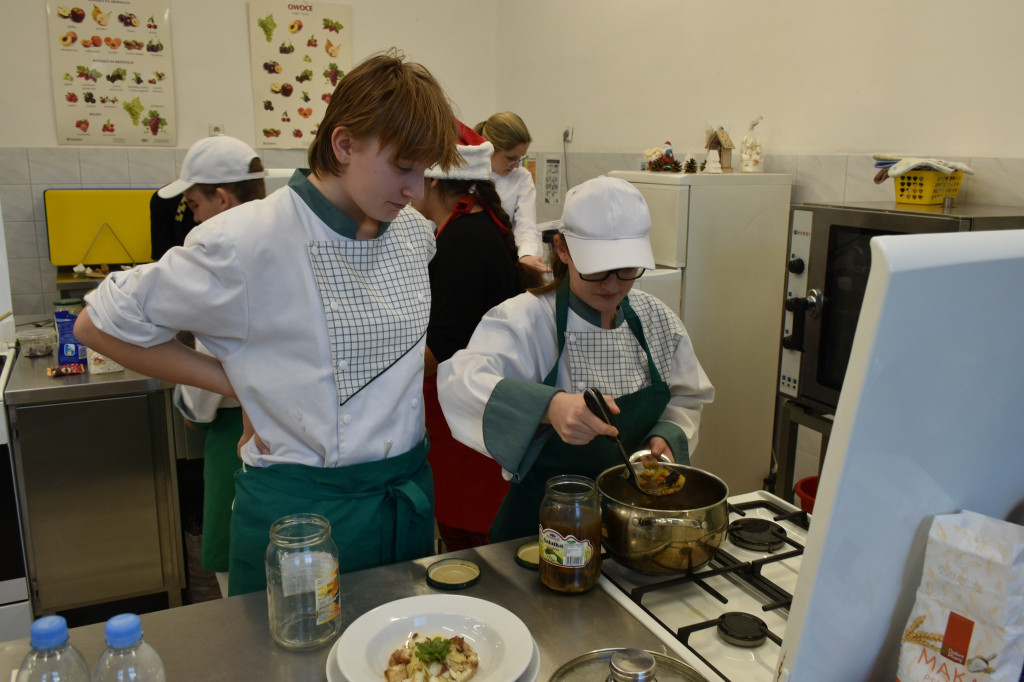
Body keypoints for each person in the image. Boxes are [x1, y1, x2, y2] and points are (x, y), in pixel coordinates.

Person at [73, 49, 460, 595]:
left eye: (424, 172)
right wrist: (237, 384)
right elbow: (98, 325)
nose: (416, 191)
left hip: (403, 501)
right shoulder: (246, 241)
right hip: (304, 520)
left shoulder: (413, 235)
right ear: (344, 144)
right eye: (403, 167)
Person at [437, 175, 715, 542]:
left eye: (628, 269)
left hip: (634, 527)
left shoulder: (657, 321)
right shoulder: (526, 320)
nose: (613, 284)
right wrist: (549, 406)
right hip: (542, 530)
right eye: (597, 268)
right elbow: (459, 382)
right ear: (563, 249)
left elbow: (686, 396)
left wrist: (666, 436)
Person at [157, 135, 267, 597]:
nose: (194, 216)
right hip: (292, 430)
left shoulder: (216, 255)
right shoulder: (280, 242)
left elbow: (203, 385)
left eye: (195, 203)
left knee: (238, 574)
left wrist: (191, 403)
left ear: (222, 198)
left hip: (232, 434)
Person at [412, 121, 522, 551]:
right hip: (478, 415)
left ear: (435, 180)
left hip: (464, 423)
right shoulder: (481, 225)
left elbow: (442, 346)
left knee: (473, 547)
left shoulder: (463, 239)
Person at [474, 112, 549, 278]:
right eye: (511, 158)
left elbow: (526, 225)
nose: (516, 165)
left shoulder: (521, 177)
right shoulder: (467, 175)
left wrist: (527, 255)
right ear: (489, 149)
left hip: (504, 261)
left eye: (521, 158)